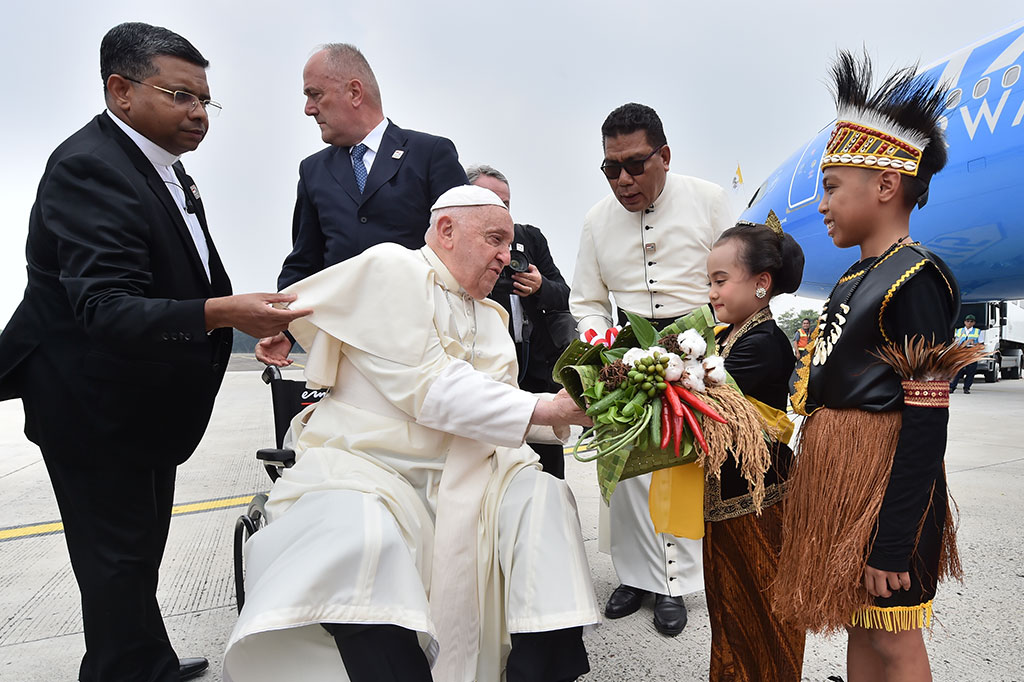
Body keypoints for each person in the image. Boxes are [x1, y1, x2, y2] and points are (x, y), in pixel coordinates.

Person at [0, 22, 307, 682]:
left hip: (135, 395)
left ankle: (141, 659)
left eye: (204, 100)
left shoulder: (159, 167)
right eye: (180, 95)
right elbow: (106, 308)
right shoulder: (91, 169)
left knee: (136, 549)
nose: (198, 114)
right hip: (86, 397)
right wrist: (226, 313)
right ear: (121, 89)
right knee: (114, 555)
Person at [224, 186, 602, 682]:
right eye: (494, 239)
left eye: (509, 245)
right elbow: (431, 388)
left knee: (545, 501)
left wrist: (592, 417)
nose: (505, 257)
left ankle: (539, 673)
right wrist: (550, 406)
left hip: (472, 470)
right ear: (446, 230)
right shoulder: (395, 271)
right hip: (370, 465)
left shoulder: (491, 317)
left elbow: (498, 408)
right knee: (359, 538)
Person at [777, 52, 974, 682]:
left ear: (886, 186)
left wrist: (894, 538)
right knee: (863, 621)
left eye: (832, 185)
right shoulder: (858, 275)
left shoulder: (916, 277)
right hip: (845, 474)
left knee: (894, 634)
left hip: (889, 487)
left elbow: (924, 419)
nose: (823, 201)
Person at [569, 102, 732, 636]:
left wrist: (717, 349)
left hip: (697, 351)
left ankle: (676, 585)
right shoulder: (596, 220)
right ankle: (635, 576)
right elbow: (587, 300)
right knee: (626, 474)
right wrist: (604, 343)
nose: (622, 179)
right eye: (610, 168)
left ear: (664, 155)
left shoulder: (709, 200)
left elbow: (738, 274)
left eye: (635, 165)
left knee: (678, 469)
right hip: (626, 356)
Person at [256, 43, 468, 367]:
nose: (308, 109)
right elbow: (304, 262)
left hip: (424, 347)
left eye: (315, 94)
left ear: (355, 92)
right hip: (344, 352)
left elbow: (464, 249)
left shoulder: (430, 154)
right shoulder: (312, 171)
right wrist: (285, 326)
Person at [701, 215, 806, 681]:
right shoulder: (731, 337)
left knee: (760, 621)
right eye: (710, 282)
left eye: (721, 281)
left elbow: (702, 401)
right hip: (729, 504)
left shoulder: (763, 343)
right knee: (729, 616)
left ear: (761, 284)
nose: (712, 293)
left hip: (758, 508)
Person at [468, 164, 574, 478]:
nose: (500, 209)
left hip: (537, 370)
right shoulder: (462, 249)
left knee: (548, 471)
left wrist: (540, 286)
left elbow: (565, 295)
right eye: (490, 201)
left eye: (506, 203)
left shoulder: (530, 238)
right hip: (487, 370)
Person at [949, 314, 982, 393]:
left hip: (971, 352)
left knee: (970, 371)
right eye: (967, 321)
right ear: (964, 322)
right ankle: (952, 387)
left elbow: (981, 344)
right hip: (961, 351)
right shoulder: (959, 330)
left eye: (971, 321)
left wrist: (974, 344)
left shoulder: (978, 331)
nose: (969, 323)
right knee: (957, 370)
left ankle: (966, 388)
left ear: (974, 323)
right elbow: (955, 342)